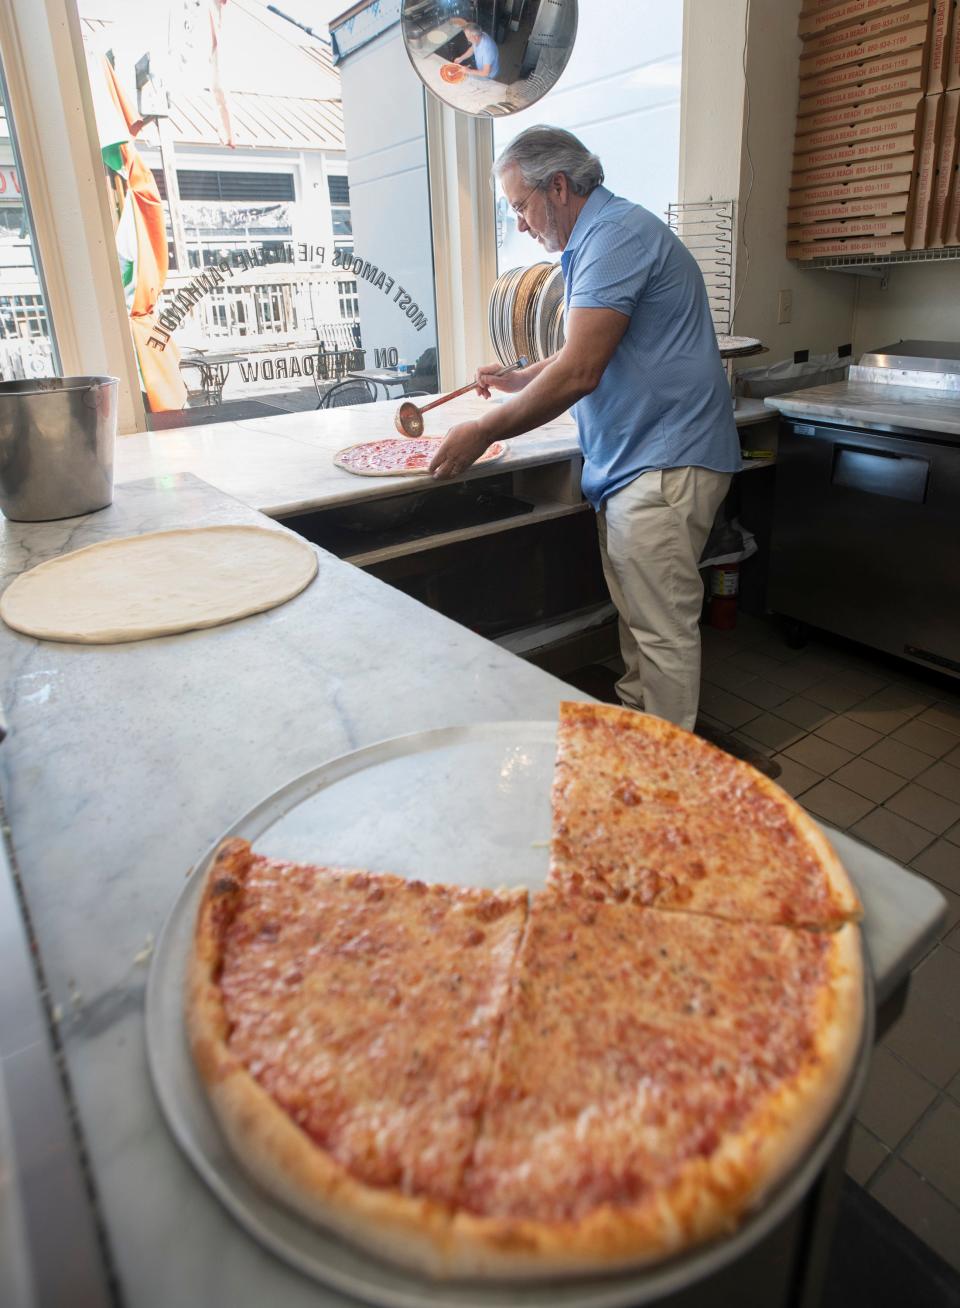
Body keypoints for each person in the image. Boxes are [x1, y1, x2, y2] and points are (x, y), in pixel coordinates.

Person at [429, 125, 741, 732]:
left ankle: (669, 766)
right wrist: (521, 379)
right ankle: (636, 724)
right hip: (635, 462)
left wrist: (482, 431)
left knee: (661, 628)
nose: (519, 223)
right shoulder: (596, 238)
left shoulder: (616, 236)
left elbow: (580, 372)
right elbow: (587, 348)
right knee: (636, 613)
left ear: (560, 187)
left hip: (665, 461)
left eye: (521, 205)